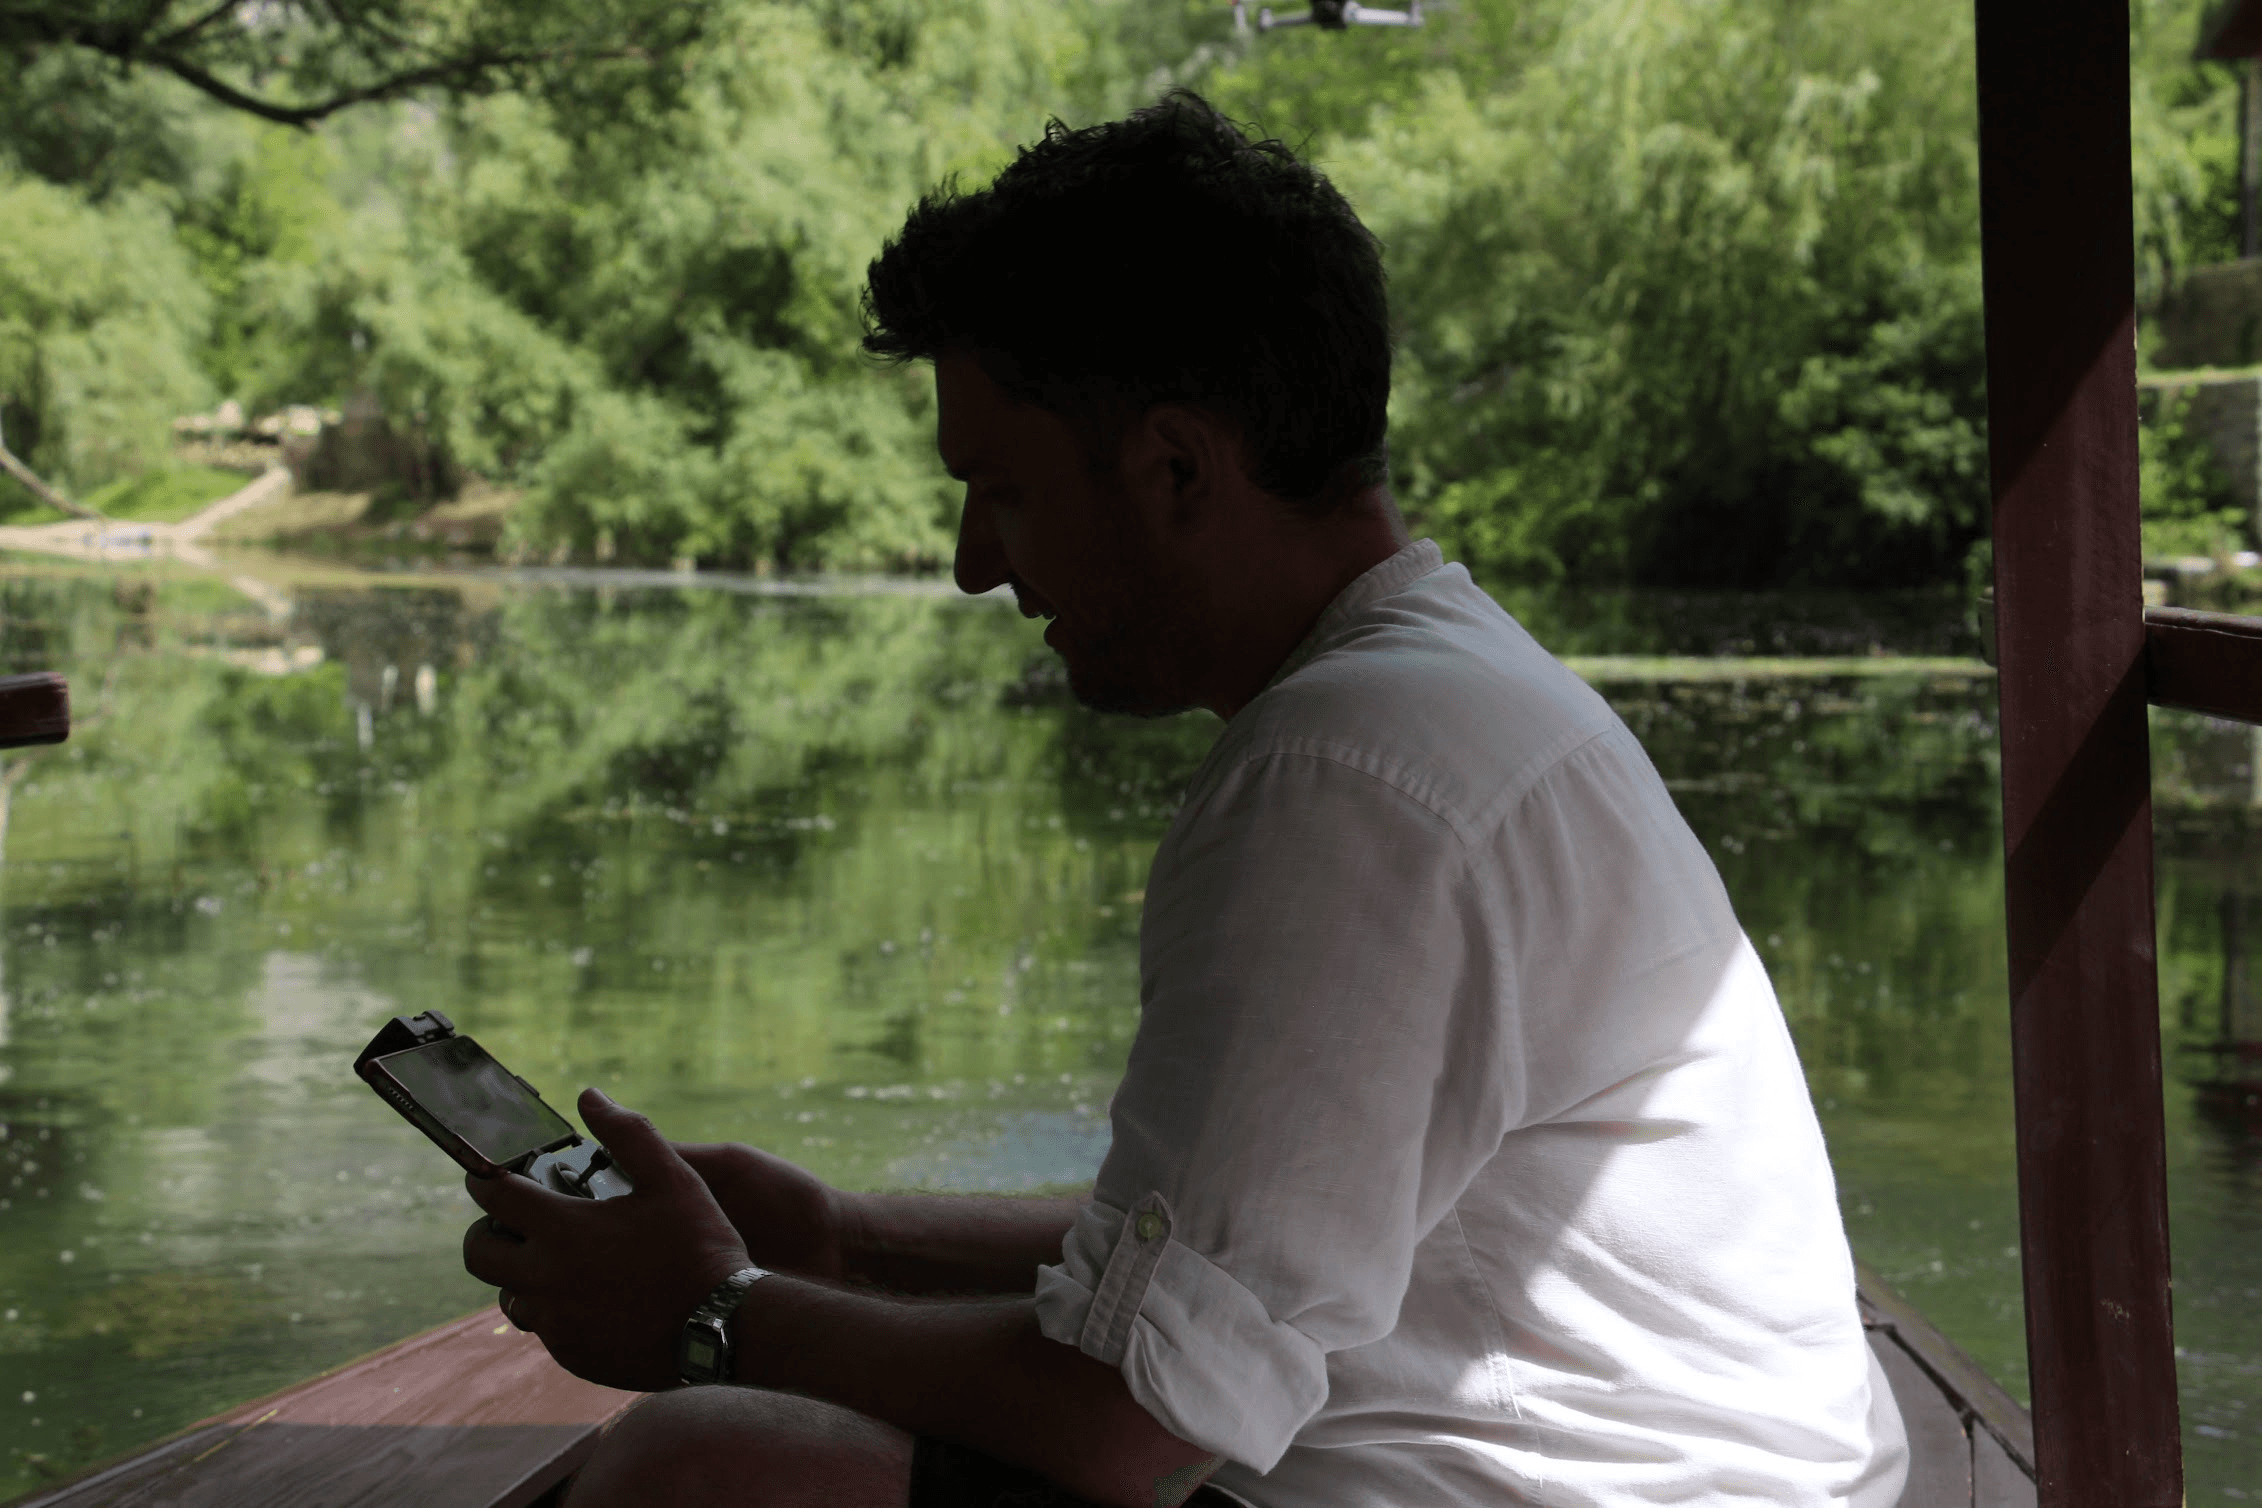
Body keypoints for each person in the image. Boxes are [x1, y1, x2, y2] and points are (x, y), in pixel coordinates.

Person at [460, 92, 1910, 1508]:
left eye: (1003, 489)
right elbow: (1218, 1275)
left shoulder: (1339, 777)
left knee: (706, 1465)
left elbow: (1129, 1428)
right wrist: (843, 1242)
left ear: (1169, 465)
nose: (974, 564)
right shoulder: (1440, 684)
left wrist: (716, 1313)